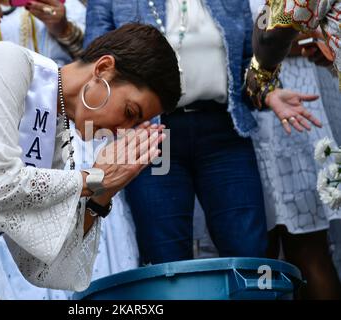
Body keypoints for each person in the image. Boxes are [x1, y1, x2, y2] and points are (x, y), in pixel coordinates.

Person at [0, 23, 180, 299]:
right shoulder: (7, 62)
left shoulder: (55, 142)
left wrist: (102, 194)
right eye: (130, 111)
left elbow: (42, 268)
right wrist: (93, 178)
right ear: (103, 69)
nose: (123, 129)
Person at [84, 0, 322, 265]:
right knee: (165, 254)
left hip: (223, 131)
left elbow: (248, 59)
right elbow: (97, 65)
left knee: (248, 248)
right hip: (153, 138)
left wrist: (268, 92)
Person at [249, 0, 341, 300]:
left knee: (308, 243)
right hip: (246, 120)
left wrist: (317, 41)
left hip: (297, 109)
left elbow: (277, 29)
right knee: (255, 246)